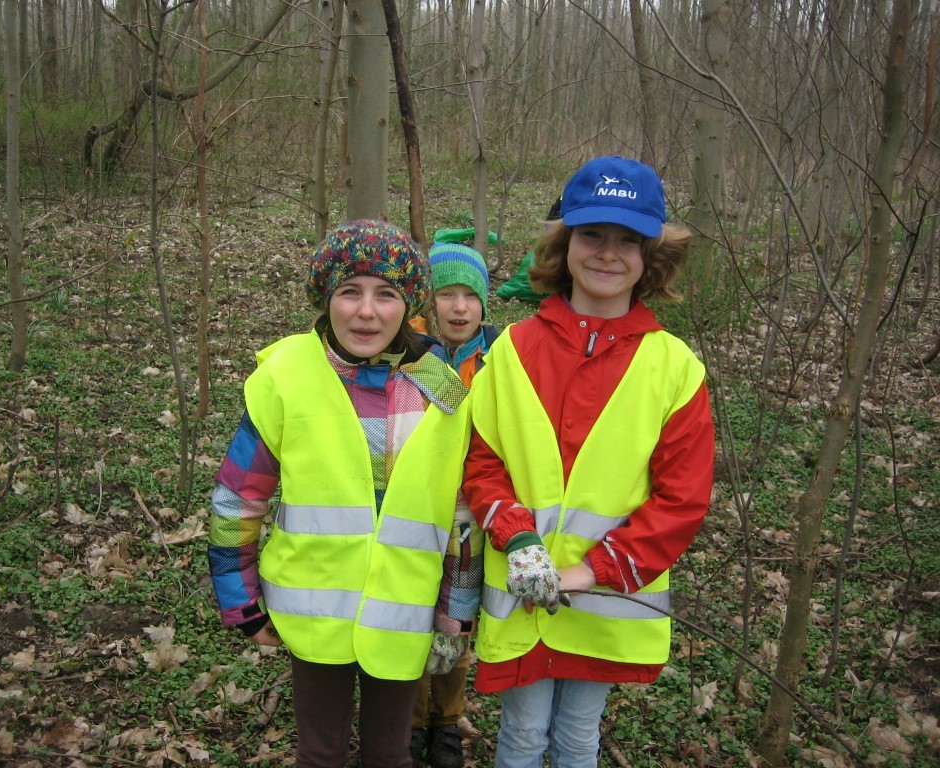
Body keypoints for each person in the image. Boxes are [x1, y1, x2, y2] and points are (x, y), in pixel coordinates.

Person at [462, 156, 716, 768]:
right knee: (521, 737)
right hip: (523, 596)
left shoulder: (675, 368)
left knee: (578, 738)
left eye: (628, 240)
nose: (608, 253)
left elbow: (681, 500)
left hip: (609, 602)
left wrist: (586, 573)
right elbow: (481, 461)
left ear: (651, 257)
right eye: (592, 235)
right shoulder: (514, 350)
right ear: (564, 243)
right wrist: (517, 538)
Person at [207, 220, 476, 768]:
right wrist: (243, 605)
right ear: (325, 298)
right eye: (349, 292)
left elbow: (460, 514)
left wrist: (457, 612)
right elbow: (239, 497)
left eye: (386, 295)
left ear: (409, 307)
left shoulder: (441, 390)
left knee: (389, 754)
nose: (366, 311)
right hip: (313, 614)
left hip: (404, 613)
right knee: (321, 754)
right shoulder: (288, 377)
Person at [409, 242, 497, 768]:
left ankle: (447, 719)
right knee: (416, 613)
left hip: (471, 515)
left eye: (471, 296)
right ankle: (412, 719)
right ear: (429, 300)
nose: (460, 308)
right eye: (447, 295)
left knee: (456, 621)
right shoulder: (411, 355)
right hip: (419, 509)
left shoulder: (499, 359)